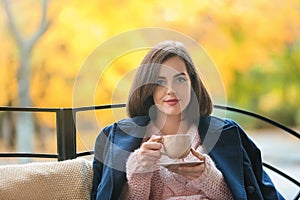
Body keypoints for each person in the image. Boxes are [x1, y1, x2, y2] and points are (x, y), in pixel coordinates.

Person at [91, 40, 284, 200]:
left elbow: (253, 194)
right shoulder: (119, 137)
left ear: (192, 83)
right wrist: (139, 170)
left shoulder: (227, 134)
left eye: (180, 79)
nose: (171, 90)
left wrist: (208, 177)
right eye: (159, 82)